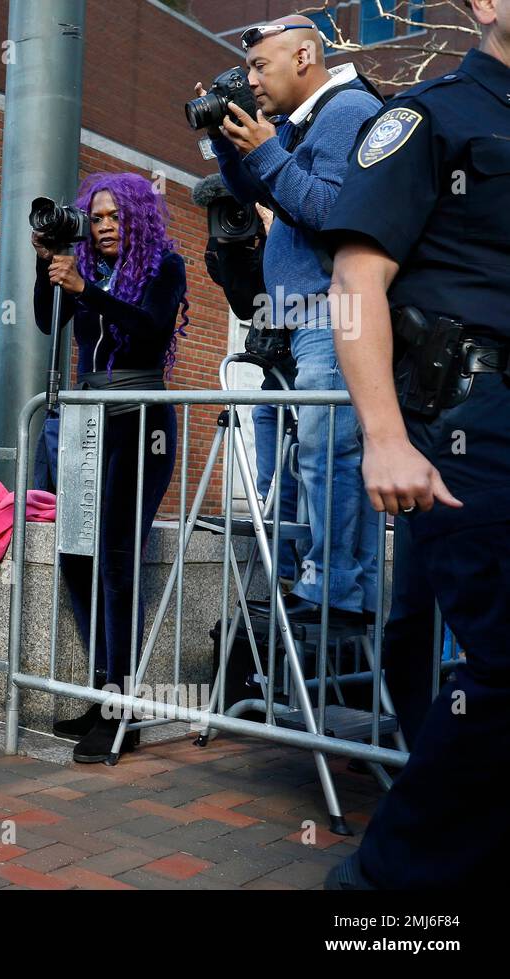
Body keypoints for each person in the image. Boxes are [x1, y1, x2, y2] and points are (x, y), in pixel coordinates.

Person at [322, 0, 510, 889]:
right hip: (471, 415)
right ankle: (381, 891)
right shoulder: (433, 116)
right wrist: (385, 438)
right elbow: (357, 277)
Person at [204, 15, 382, 628]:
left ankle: (336, 589)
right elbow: (271, 193)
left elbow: (333, 210)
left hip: (328, 316)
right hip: (287, 321)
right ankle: (304, 580)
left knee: (325, 452)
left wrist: (270, 154)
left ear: (305, 56)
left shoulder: (345, 111)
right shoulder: (299, 125)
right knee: (297, 462)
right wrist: (235, 148)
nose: (251, 79)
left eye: (261, 66)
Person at [32, 172, 189, 764]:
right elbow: (50, 326)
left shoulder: (164, 267)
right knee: (77, 555)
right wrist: (49, 264)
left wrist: (86, 290)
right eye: (94, 218)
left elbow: (149, 331)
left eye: (114, 217)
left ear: (137, 219)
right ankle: (103, 695)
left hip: (140, 419)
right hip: (87, 420)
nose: (101, 227)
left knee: (118, 559)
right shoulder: (86, 270)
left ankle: (123, 710)